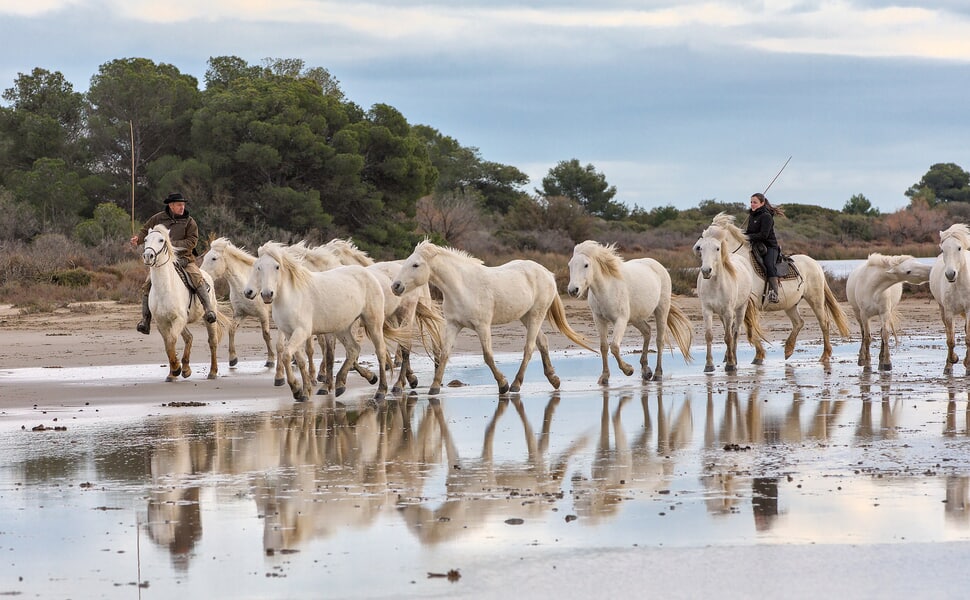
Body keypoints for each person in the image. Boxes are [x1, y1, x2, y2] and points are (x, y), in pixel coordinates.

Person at [129, 192, 216, 334]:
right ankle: (145, 320)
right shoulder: (157, 218)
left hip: (185, 259)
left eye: (183, 205)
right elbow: (145, 231)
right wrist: (137, 239)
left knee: (197, 278)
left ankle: (209, 310)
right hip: (162, 262)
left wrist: (169, 244)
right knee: (147, 285)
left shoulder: (190, 222)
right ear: (171, 205)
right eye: (179, 205)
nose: (182, 207)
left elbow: (192, 242)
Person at [745, 192, 784, 303]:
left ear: (762, 203)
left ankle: (774, 293)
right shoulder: (752, 215)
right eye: (751, 202)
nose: (752, 204)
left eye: (755, 202)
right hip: (755, 245)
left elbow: (763, 235)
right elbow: (749, 232)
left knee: (769, 265)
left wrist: (747, 236)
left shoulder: (766, 216)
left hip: (769, 246)